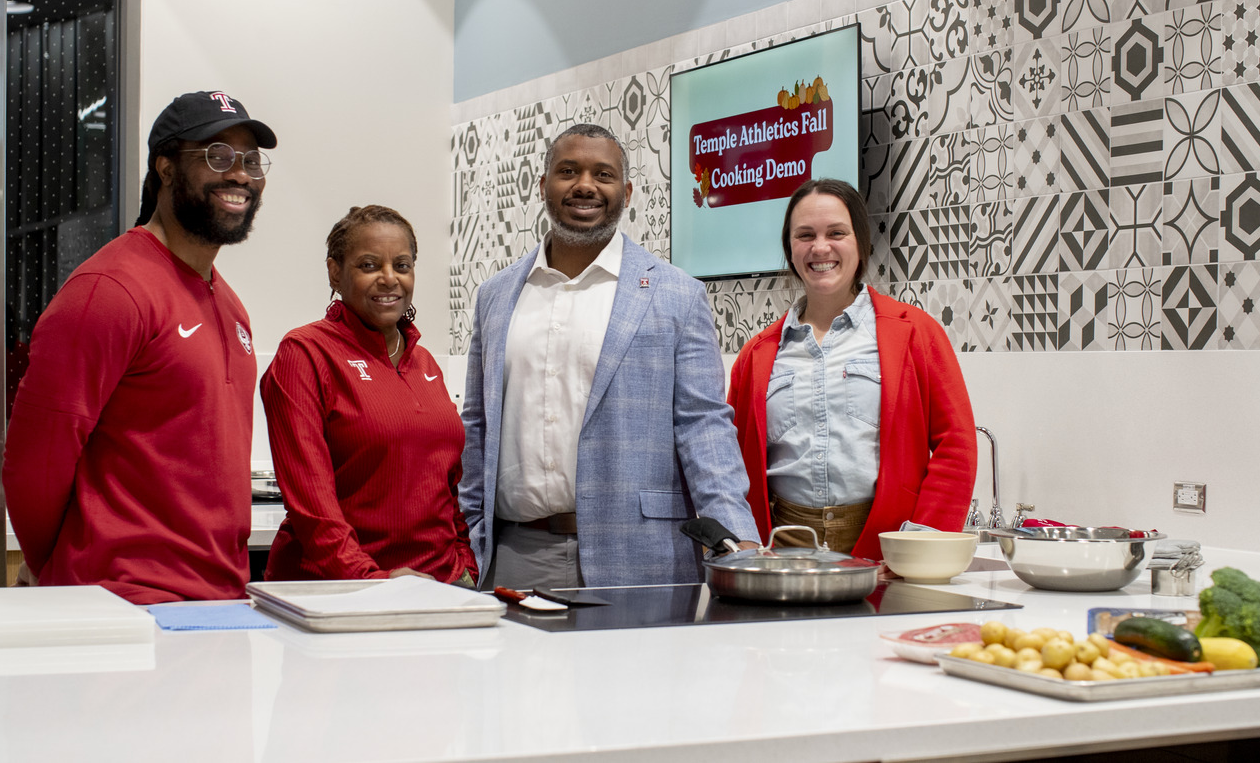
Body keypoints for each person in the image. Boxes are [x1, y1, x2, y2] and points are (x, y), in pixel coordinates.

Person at [3, 90, 277, 604]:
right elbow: (34, 465)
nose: (241, 174)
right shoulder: (109, 291)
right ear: (166, 168)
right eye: (218, 155)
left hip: (219, 600)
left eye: (250, 160)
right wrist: (52, 572)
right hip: (123, 603)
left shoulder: (229, 305)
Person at [460, 123, 759, 591]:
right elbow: (477, 425)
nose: (585, 185)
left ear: (627, 192)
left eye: (603, 174)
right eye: (568, 171)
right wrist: (466, 536)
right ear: (542, 186)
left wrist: (736, 536)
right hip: (514, 556)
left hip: (643, 557)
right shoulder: (495, 296)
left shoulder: (678, 295)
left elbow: (704, 425)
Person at [727, 179, 976, 560]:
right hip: (781, 555)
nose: (820, 247)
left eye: (836, 233)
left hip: (886, 550)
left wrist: (920, 547)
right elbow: (729, 460)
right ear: (790, 249)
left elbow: (956, 445)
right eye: (805, 235)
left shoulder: (915, 333)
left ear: (860, 242)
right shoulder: (756, 356)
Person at [259, 205, 477, 586]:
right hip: (340, 591)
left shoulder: (424, 362)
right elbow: (313, 510)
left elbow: (448, 488)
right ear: (335, 272)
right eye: (369, 265)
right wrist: (374, 584)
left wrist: (464, 566)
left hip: (440, 588)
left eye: (402, 265)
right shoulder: (306, 354)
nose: (389, 279)